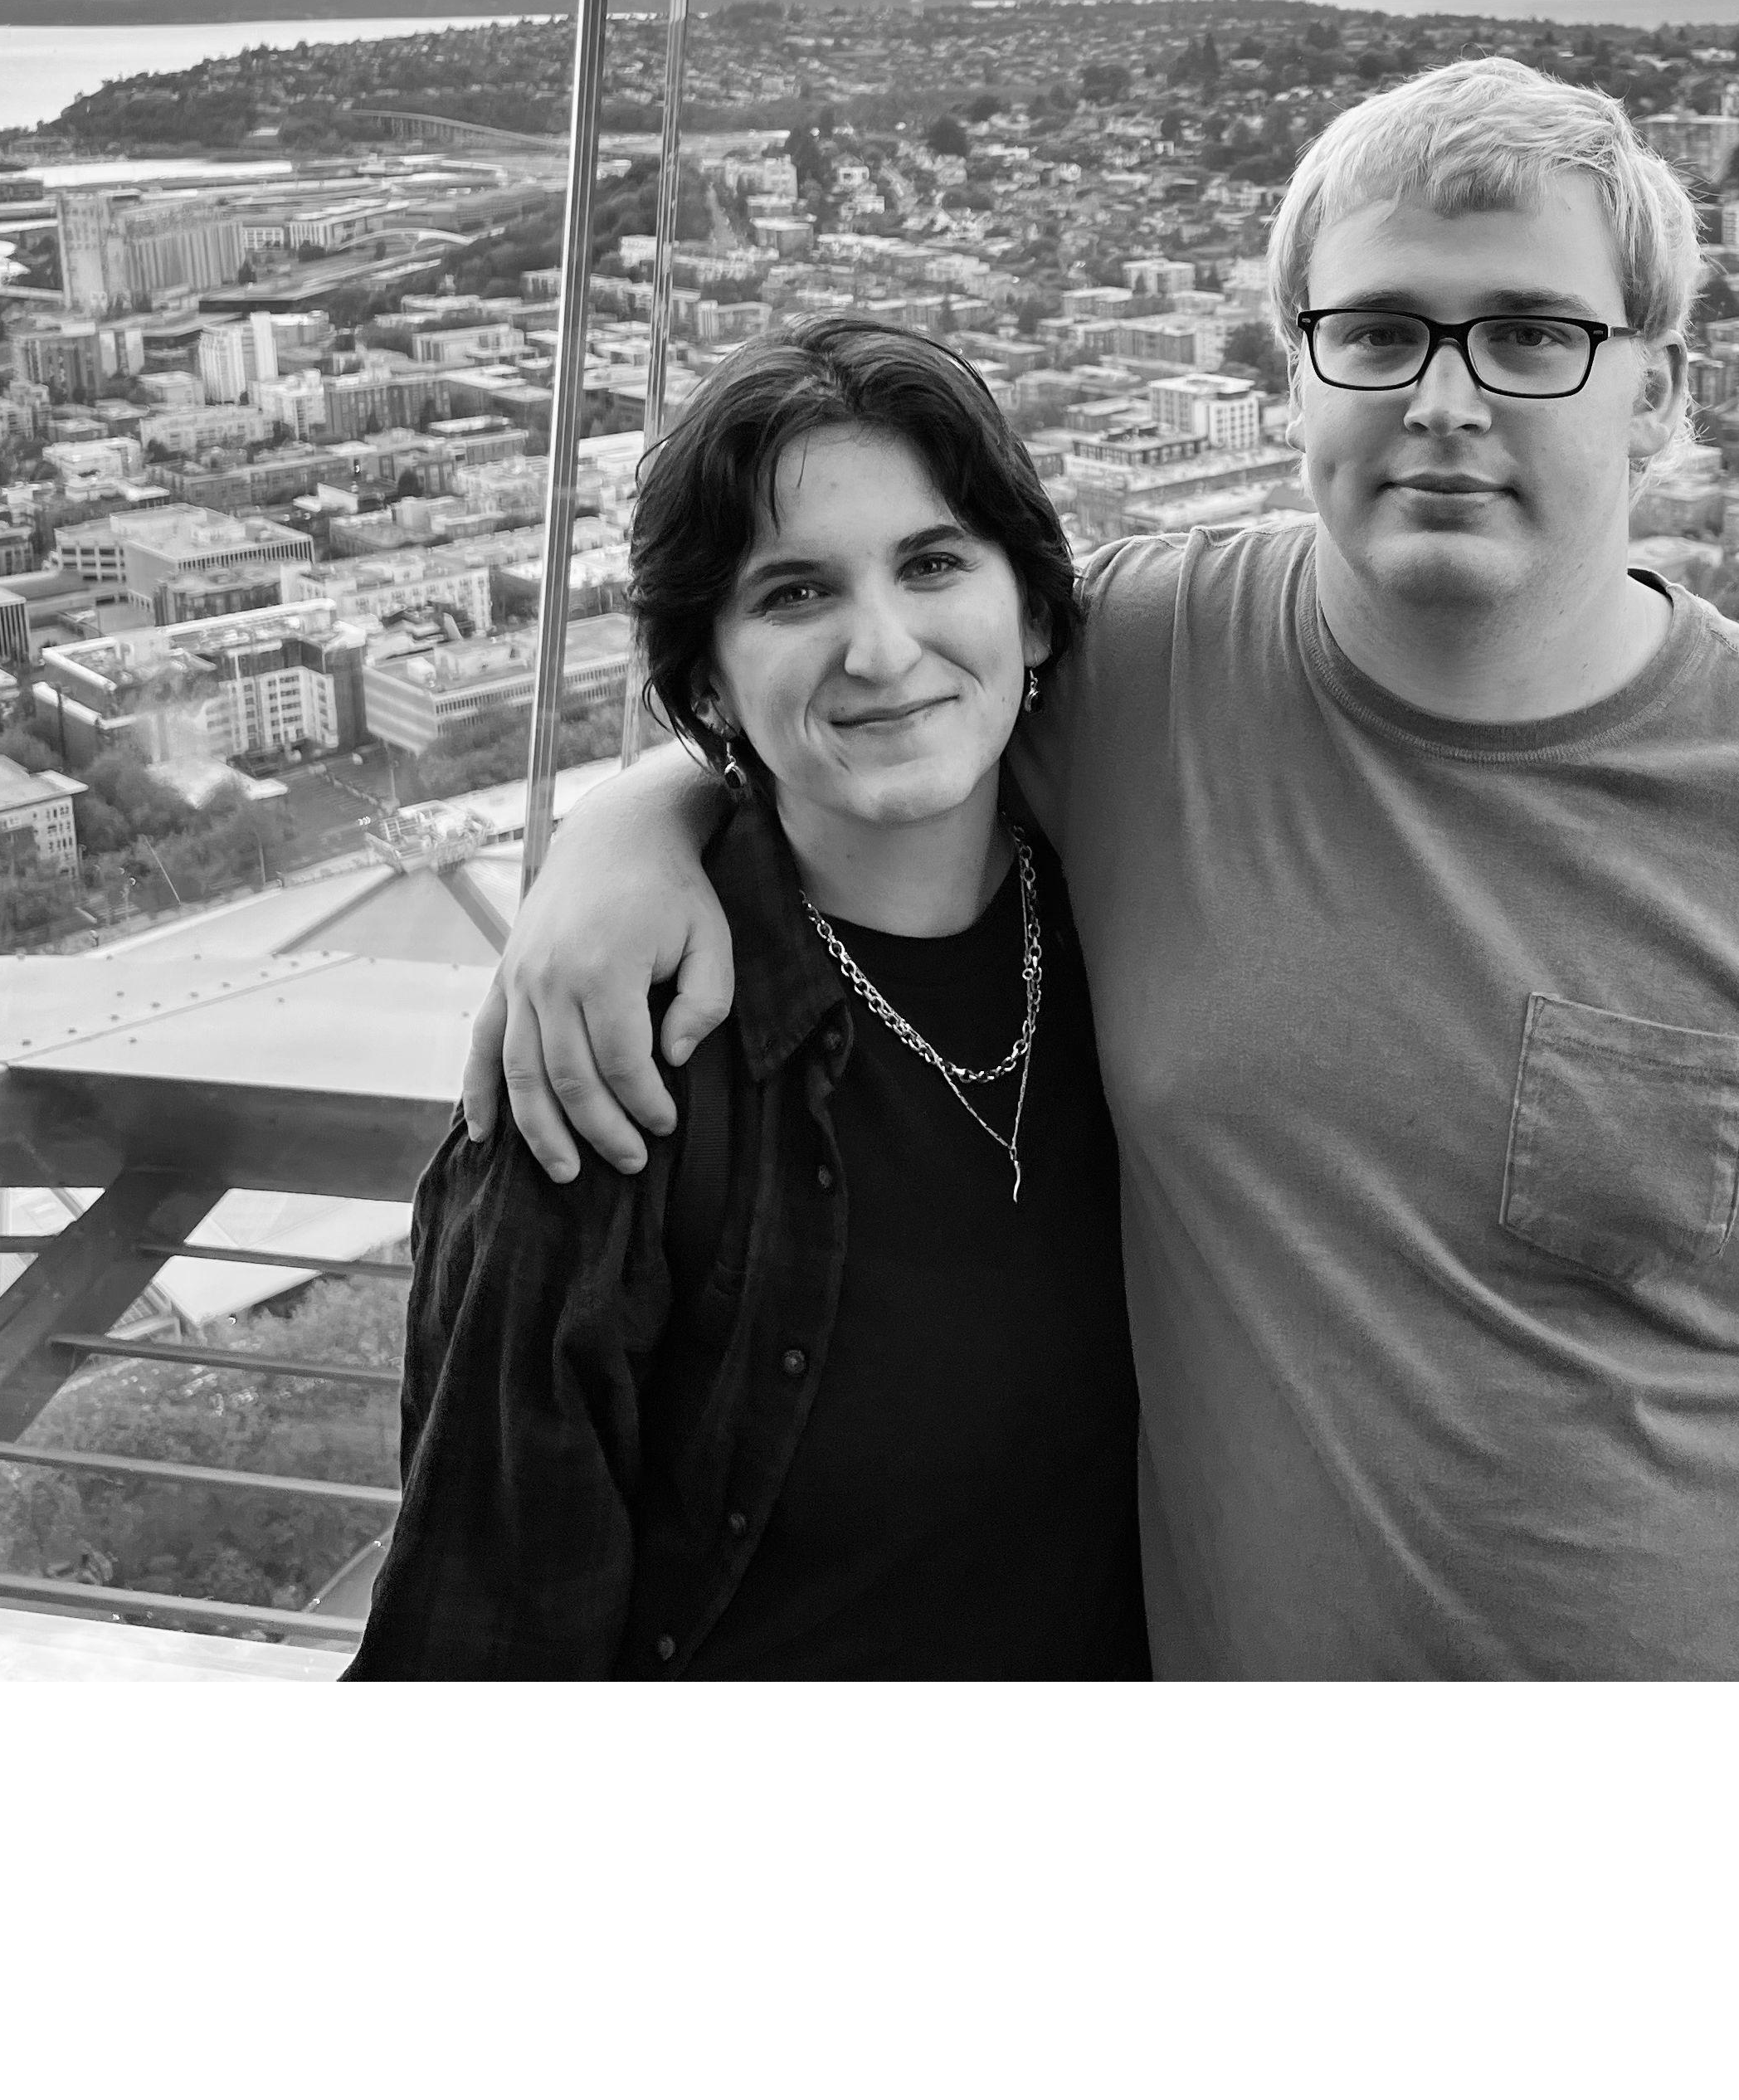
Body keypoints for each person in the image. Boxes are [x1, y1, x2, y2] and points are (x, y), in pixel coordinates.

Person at [464, 59, 1739, 1679]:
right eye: (1382, 331)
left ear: (1663, 393)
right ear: (1294, 383)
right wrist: (631, 832)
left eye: (1537, 333)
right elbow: (881, 683)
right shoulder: (1145, 662)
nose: (1446, 399)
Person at [348, 319, 1145, 1680]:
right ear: (707, 676)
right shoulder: (617, 1074)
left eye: (935, 563)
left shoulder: (1141, 930)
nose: (884, 651)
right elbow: (481, 1637)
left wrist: (628, 820)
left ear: (1035, 608)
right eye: (794, 595)